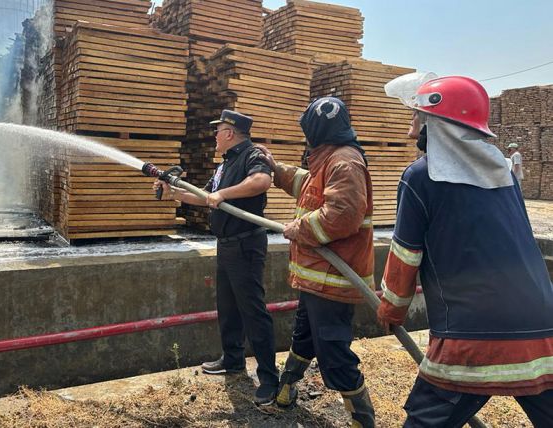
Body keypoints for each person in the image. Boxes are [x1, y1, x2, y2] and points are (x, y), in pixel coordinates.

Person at [379, 74, 553, 427]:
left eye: (416, 116)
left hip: (473, 333)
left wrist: (390, 308)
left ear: (436, 123)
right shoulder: (504, 174)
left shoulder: (421, 178)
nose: (412, 128)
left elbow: (405, 255)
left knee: (425, 420)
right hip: (542, 327)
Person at [258, 97, 375, 427]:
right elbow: (308, 187)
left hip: (334, 279)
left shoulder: (345, 162)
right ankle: (285, 395)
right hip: (318, 278)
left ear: (317, 129)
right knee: (304, 338)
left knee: (334, 356)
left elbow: (342, 215)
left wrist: (297, 228)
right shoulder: (330, 159)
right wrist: (276, 168)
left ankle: (363, 421)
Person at [154, 110, 279, 406]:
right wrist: (174, 195)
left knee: (253, 311)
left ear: (230, 133)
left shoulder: (252, 154)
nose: (214, 135)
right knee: (228, 305)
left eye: (218, 130)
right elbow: (205, 195)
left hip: (246, 245)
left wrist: (223, 194)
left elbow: (262, 181)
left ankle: (270, 379)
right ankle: (233, 359)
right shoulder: (226, 164)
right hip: (226, 245)